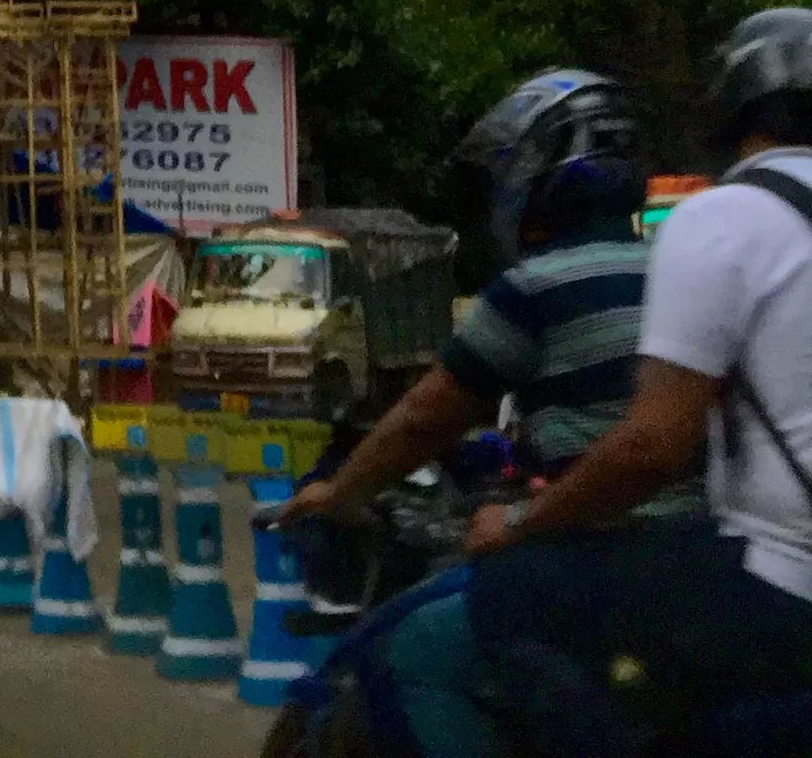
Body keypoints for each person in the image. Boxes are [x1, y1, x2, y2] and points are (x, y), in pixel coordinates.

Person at [281, 67, 668, 758]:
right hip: (702, 554)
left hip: (600, 557)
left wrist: (341, 493)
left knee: (412, 652)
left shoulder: (532, 288)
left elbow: (426, 419)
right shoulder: (675, 270)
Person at [467, 10, 812, 755]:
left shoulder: (721, 218)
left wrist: (522, 525)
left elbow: (652, 446)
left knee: (505, 595)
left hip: (785, 587)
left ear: (733, 111)